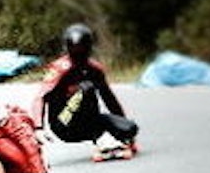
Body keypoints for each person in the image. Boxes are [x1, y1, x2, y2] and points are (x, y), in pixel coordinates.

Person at [32, 23, 138, 154]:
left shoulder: (95, 69)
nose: (79, 53)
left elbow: (109, 98)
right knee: (86, 88)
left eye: (82, 49)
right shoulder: (60, 68)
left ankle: (107, 137)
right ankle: (101, 138)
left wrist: (124, 127)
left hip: (88, 123)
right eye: (75, 50)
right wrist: (38, 128)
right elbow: (41, 97)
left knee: (129, 128)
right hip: (64, 123)